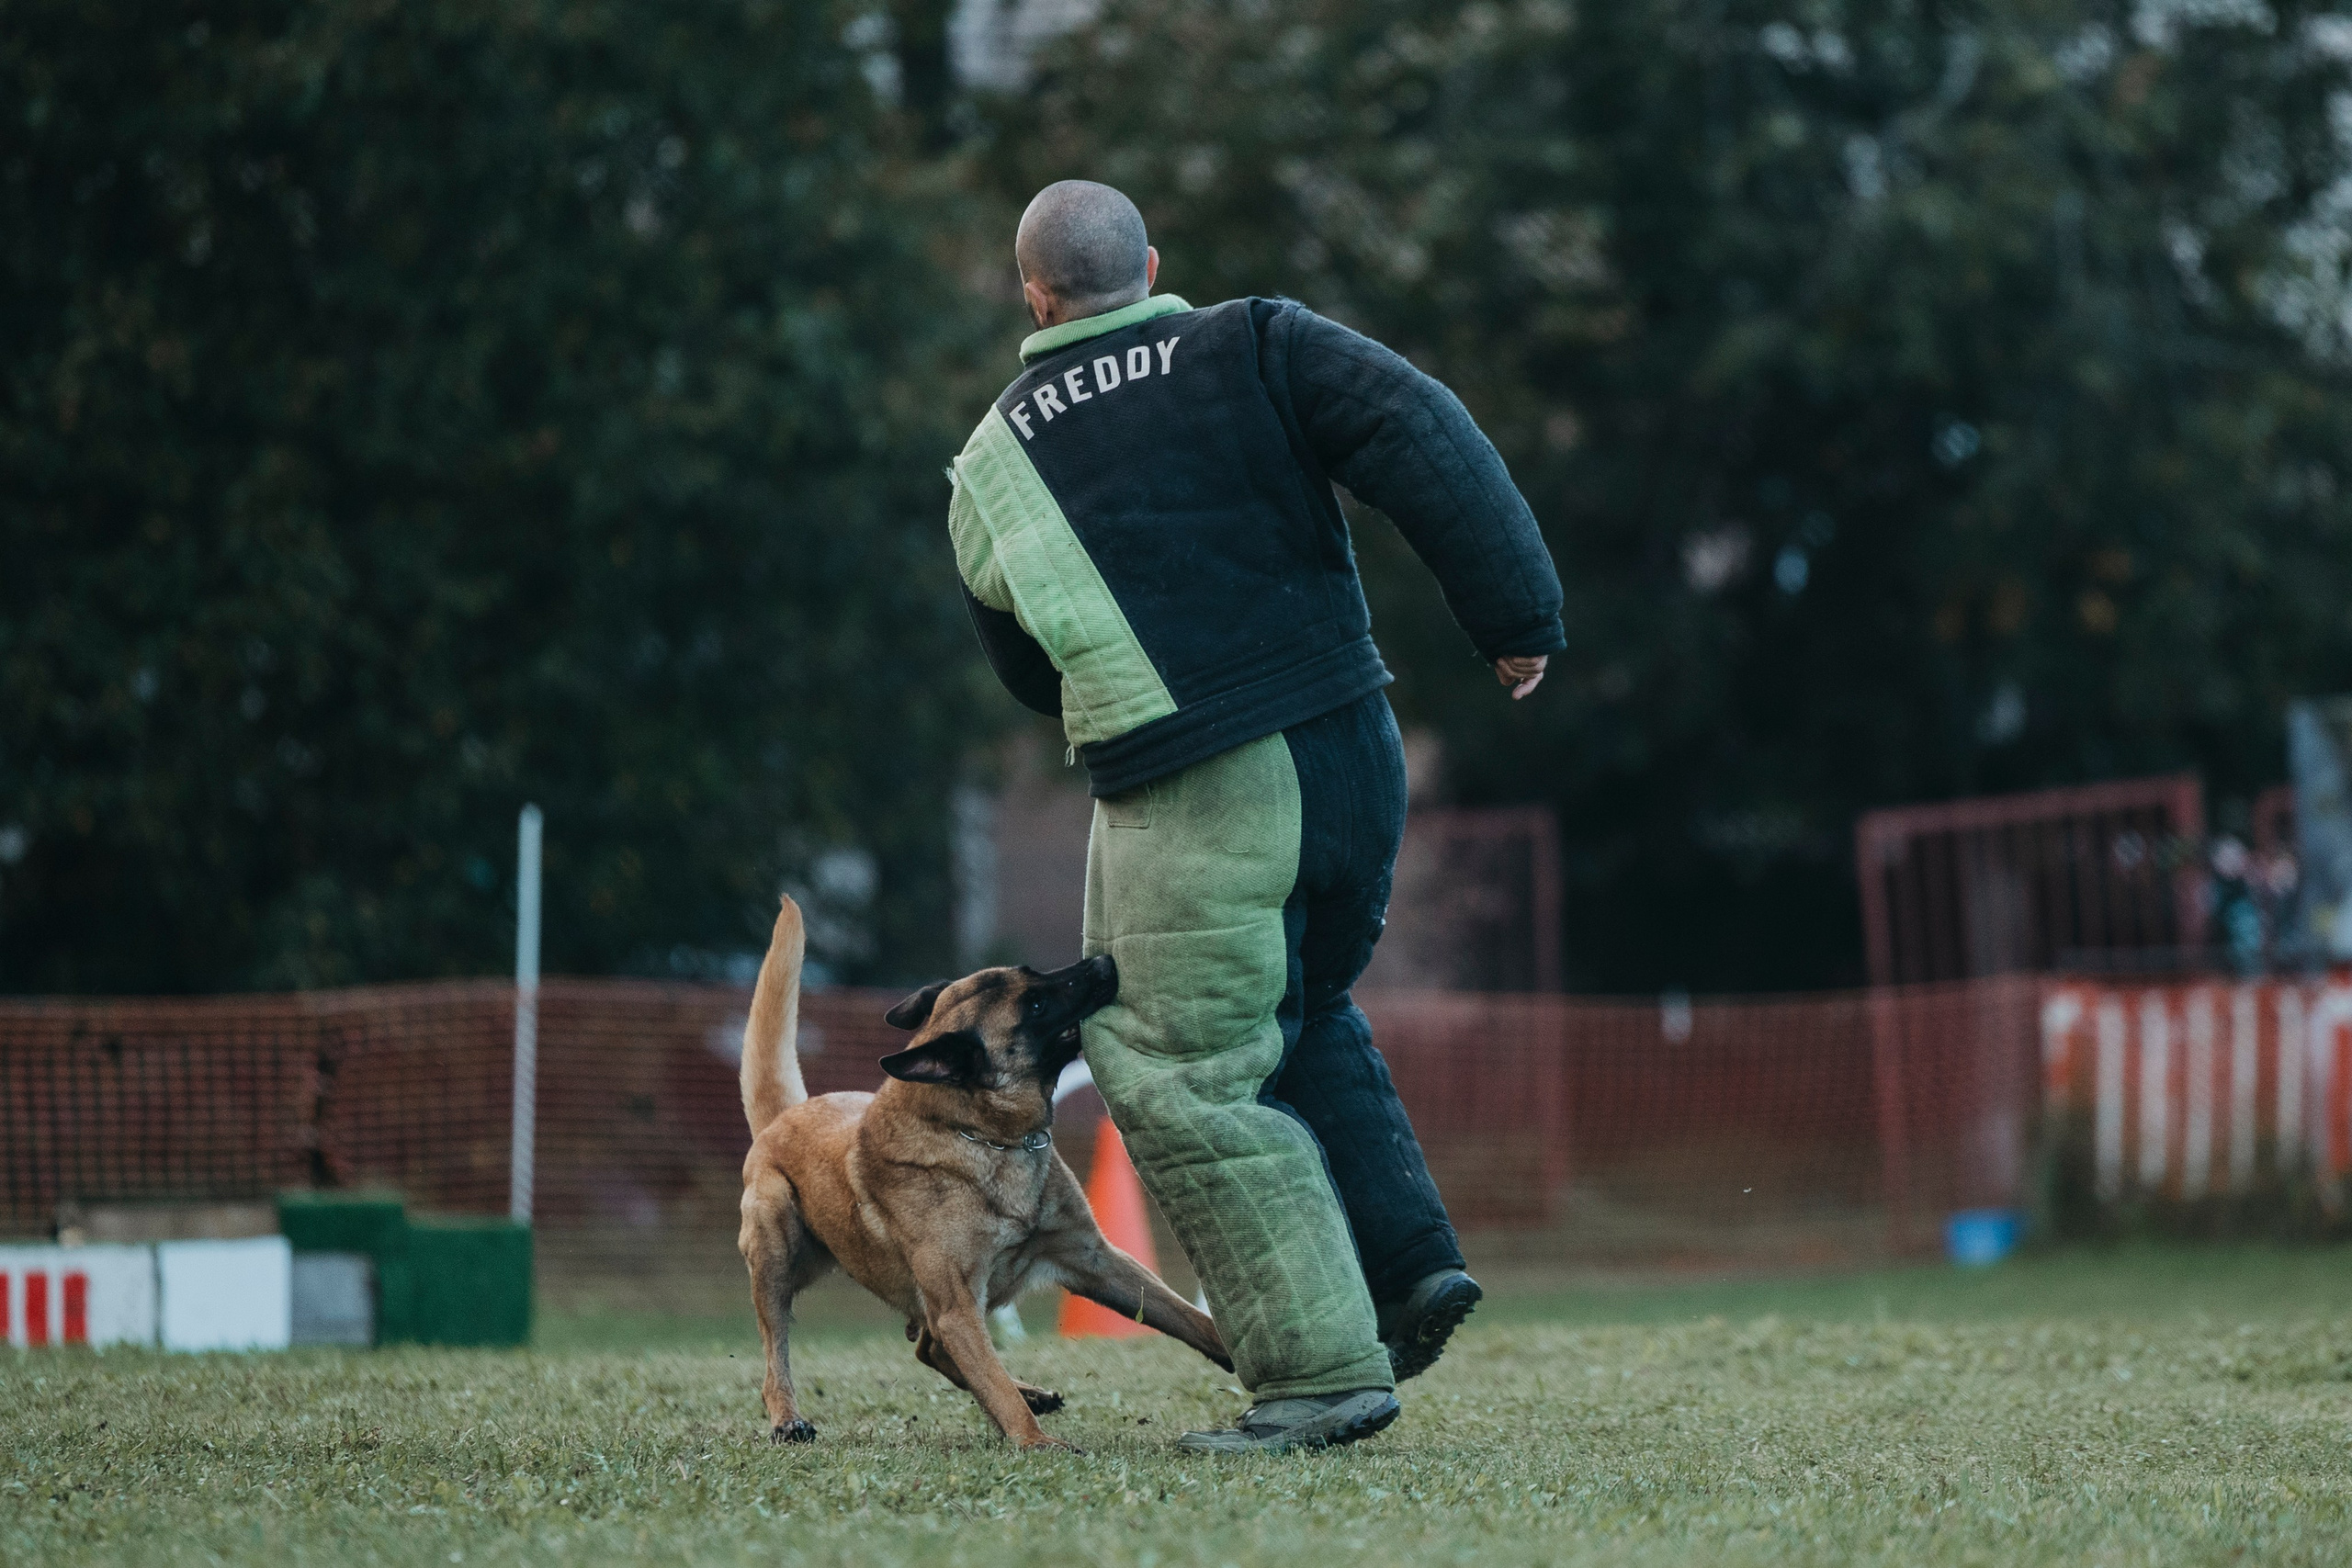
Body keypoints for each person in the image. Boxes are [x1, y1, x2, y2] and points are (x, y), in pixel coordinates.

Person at [945, 179, 1563, 1453]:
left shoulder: (994, 460)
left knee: (1181, 1070)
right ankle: (1404, 1273)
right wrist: (1516, 622)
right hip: (1351, 749)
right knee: (1302, 1007)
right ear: (1152, 264)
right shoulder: (1257, 339)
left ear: (1033, 296)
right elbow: (1420, 429)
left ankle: (1314, 1372)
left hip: (1201, 784)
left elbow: (1022, 667)